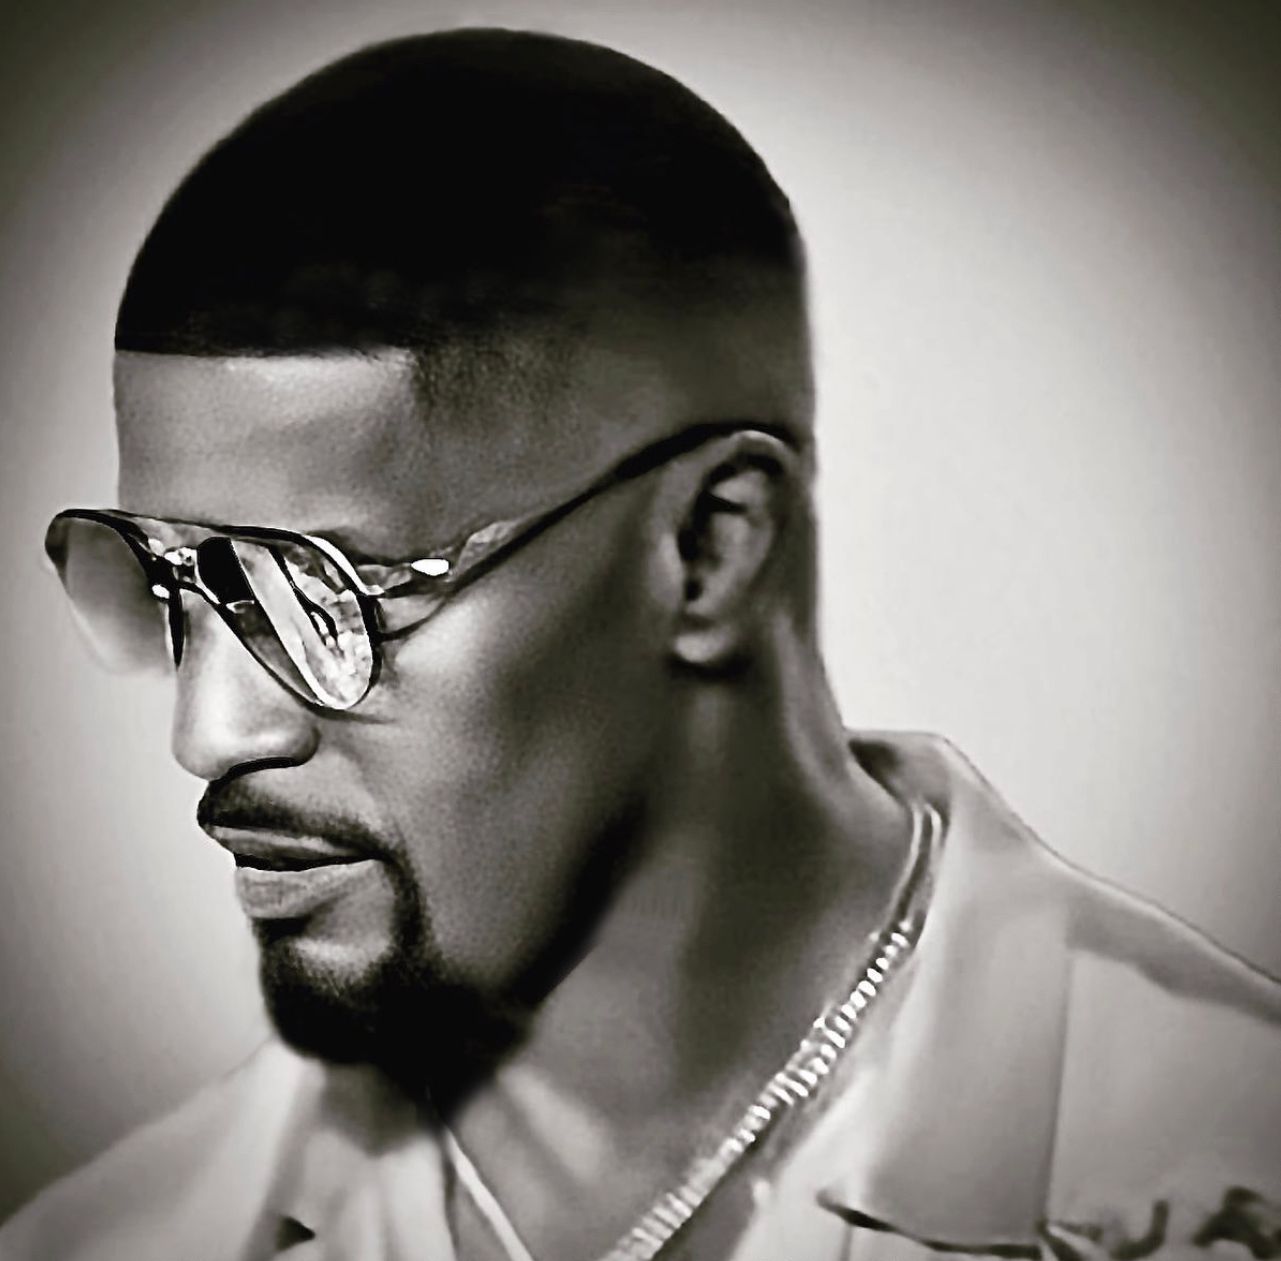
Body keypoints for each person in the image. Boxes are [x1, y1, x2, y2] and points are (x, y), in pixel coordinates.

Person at [3, 27, 1278, 1261]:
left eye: (314, 591)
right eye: (171, 584)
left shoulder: (1229, 1172)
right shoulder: (119, 1243)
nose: (211, 731)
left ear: (710, 549)